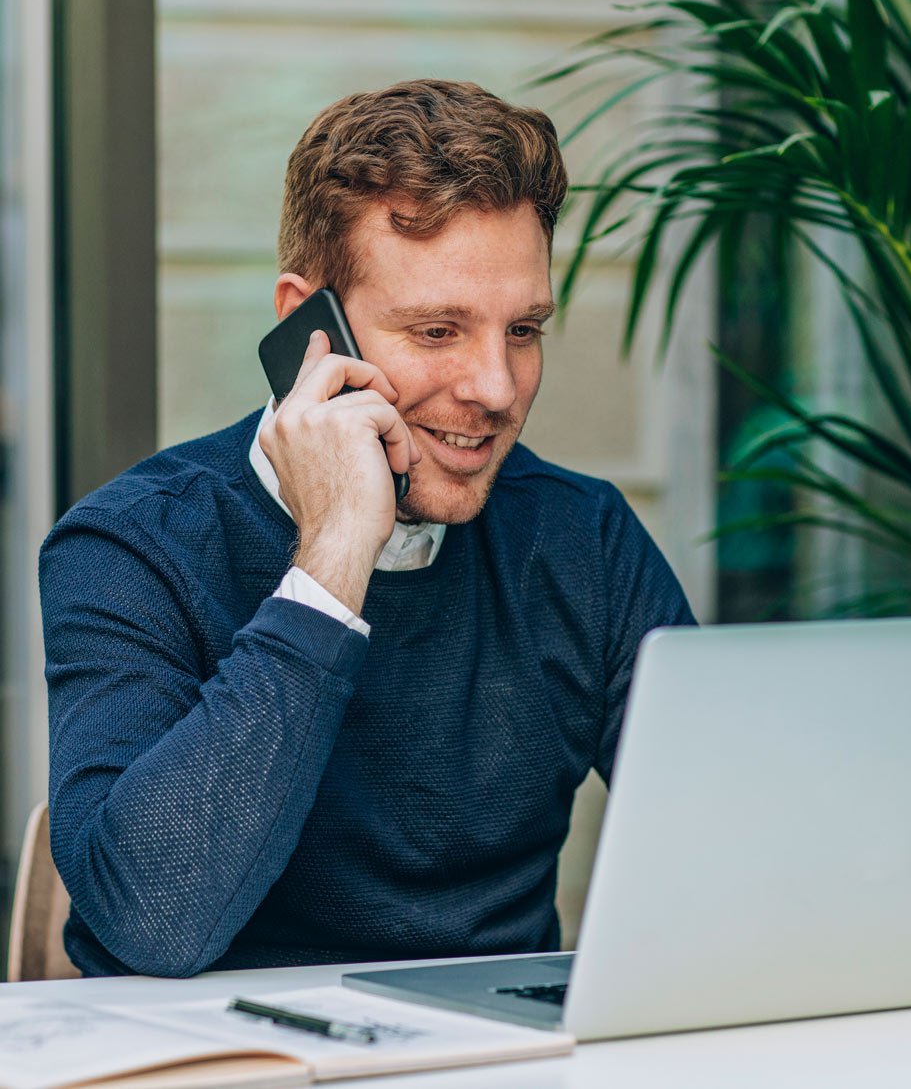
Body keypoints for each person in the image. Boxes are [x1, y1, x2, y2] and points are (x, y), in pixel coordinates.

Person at [39, 80, 695, 978]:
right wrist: (335, 553)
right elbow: (152, 919)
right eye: (436, 330)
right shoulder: (129, 546)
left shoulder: (585, 541)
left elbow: (733, 857)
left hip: (490, 1056)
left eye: (524, 330)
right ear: (307, 328)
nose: (496, 389)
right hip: (219, 1059)